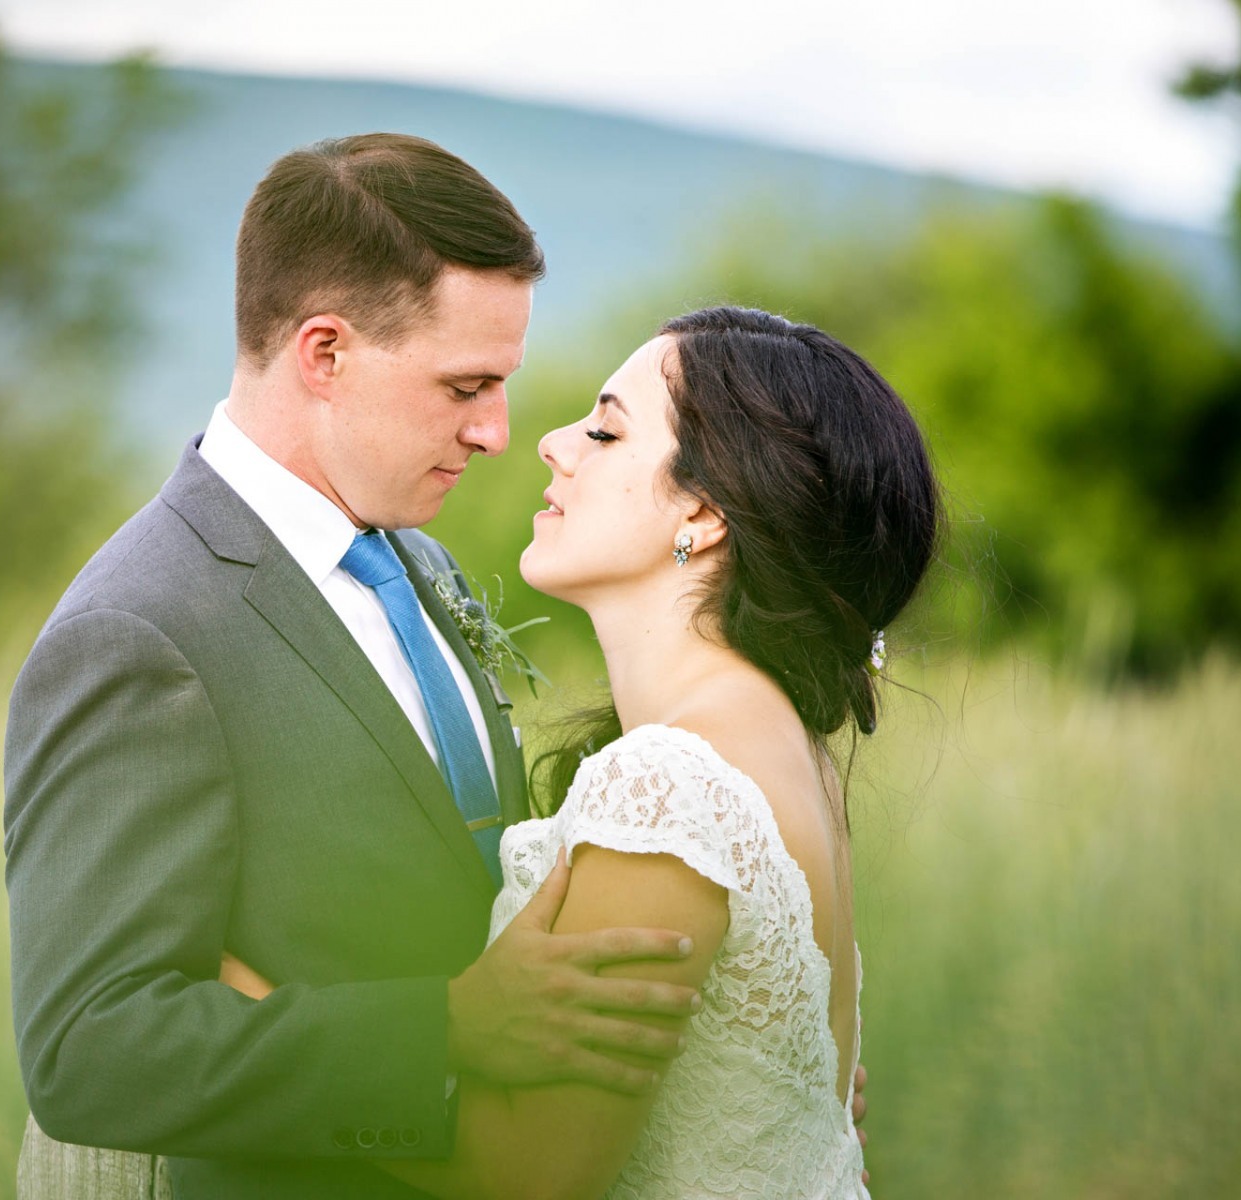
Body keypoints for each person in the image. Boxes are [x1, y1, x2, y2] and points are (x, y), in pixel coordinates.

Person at [3, 133, 710, 1200]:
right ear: (324, 353)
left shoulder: (415, 558)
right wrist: (445, 1029)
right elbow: (90, 1049)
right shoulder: (140, 630)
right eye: (466, 385)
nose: (498, 433)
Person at [225, 307, 933, 1198]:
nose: (553, 442)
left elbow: (524, 1174)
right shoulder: (780, 738)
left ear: (706, 512)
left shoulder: (672, 781)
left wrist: (241, 1010)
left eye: (607, 429)